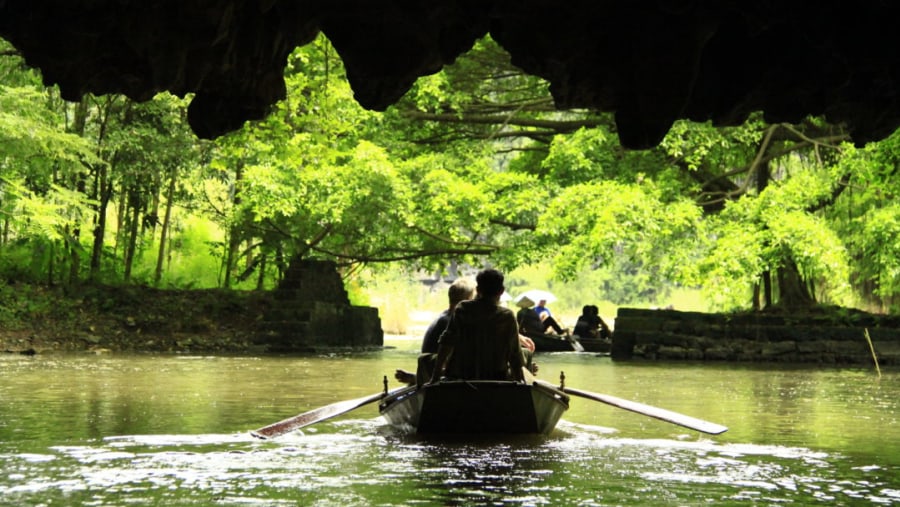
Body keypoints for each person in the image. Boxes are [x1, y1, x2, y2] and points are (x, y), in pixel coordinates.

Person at [429, 268, 526, 383]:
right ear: (502, 291)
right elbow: (515, 356)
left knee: (424, 359)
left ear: (478, 290)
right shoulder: (507, 316)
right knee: (526, 354)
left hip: (461, 378)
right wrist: (520, 382)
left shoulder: (463, 309)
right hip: (495, 379)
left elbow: (446, 343)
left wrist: (435, 378)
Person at [394, 278, 476, 386]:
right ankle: (418, 378)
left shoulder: (443, 317)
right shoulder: (452, 322)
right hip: (436, 372)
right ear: (468, 299)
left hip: (428, 368)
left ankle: (417, 378)